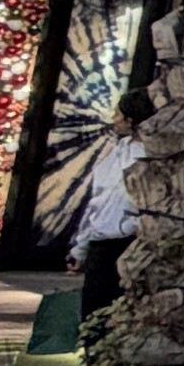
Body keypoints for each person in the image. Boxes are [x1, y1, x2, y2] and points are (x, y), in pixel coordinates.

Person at [66, 83, 151, 324]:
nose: (113, 119)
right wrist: (81, 247)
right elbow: (99, 202)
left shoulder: (150, 157)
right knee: (94, 314)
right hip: (102, 243)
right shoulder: (118, 151)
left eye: (119, 114)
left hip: (130, 241)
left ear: (132, 120)